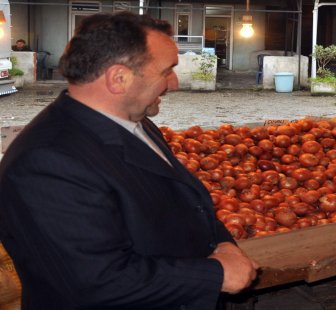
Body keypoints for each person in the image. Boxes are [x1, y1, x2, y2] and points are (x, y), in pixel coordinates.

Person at [0, 12, 258, 309]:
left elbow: (184, 202)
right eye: (166, 71)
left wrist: (223, 243)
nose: (173, 84)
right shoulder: (46, 163)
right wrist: (216, 275)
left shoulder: (135, 122)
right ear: (119, 78)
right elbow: (95, 281)